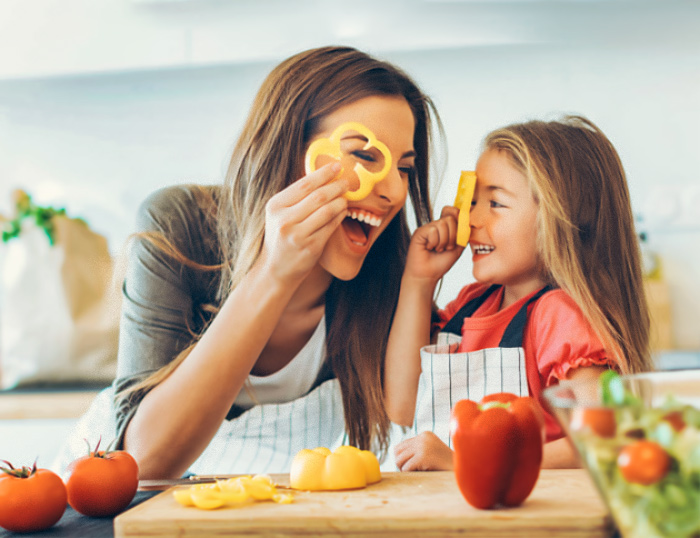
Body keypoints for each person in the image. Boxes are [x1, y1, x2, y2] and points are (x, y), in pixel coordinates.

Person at [110, 46, 441, 479]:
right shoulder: (179, 224)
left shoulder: (387, 272)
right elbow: (144, 464)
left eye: (405, 168)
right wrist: (274, 272)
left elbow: (405, 415)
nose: (394, 192)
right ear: (288, 149)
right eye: (364, 156)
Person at [384, 115, 652, 472]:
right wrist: (418, 281)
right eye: (473, 202)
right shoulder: (471, 305)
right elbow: (403, 407)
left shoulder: (559, 316)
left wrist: (467, 462)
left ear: (558, 220)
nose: (471, 220)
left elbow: (606, 438)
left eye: (495, 203)